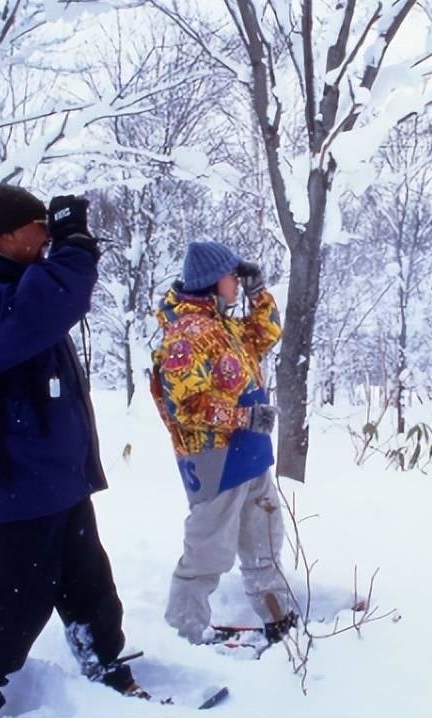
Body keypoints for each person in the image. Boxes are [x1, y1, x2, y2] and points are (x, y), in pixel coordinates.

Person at [0, 184, 144, 716]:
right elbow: (56, 298)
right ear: (7, 234)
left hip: (55, 476)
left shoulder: (14, 286)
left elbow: (50, 300)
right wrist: (75, 245)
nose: (49, 237)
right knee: (16, 599)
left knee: (89, 583)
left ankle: (102, 661)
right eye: (40, 228)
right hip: (16, 482)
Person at [150, 240, 298, 646]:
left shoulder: (222, 326)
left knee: (263, 545)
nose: (237, 281)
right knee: (207, 555)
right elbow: (187, 406)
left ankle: (279, 620)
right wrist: (244, 418)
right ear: (215, 281)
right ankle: (182, 638)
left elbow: (266, 333)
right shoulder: (187, 335)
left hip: (250, 458)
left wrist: (258, 292)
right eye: (233, 276)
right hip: (216, 462)